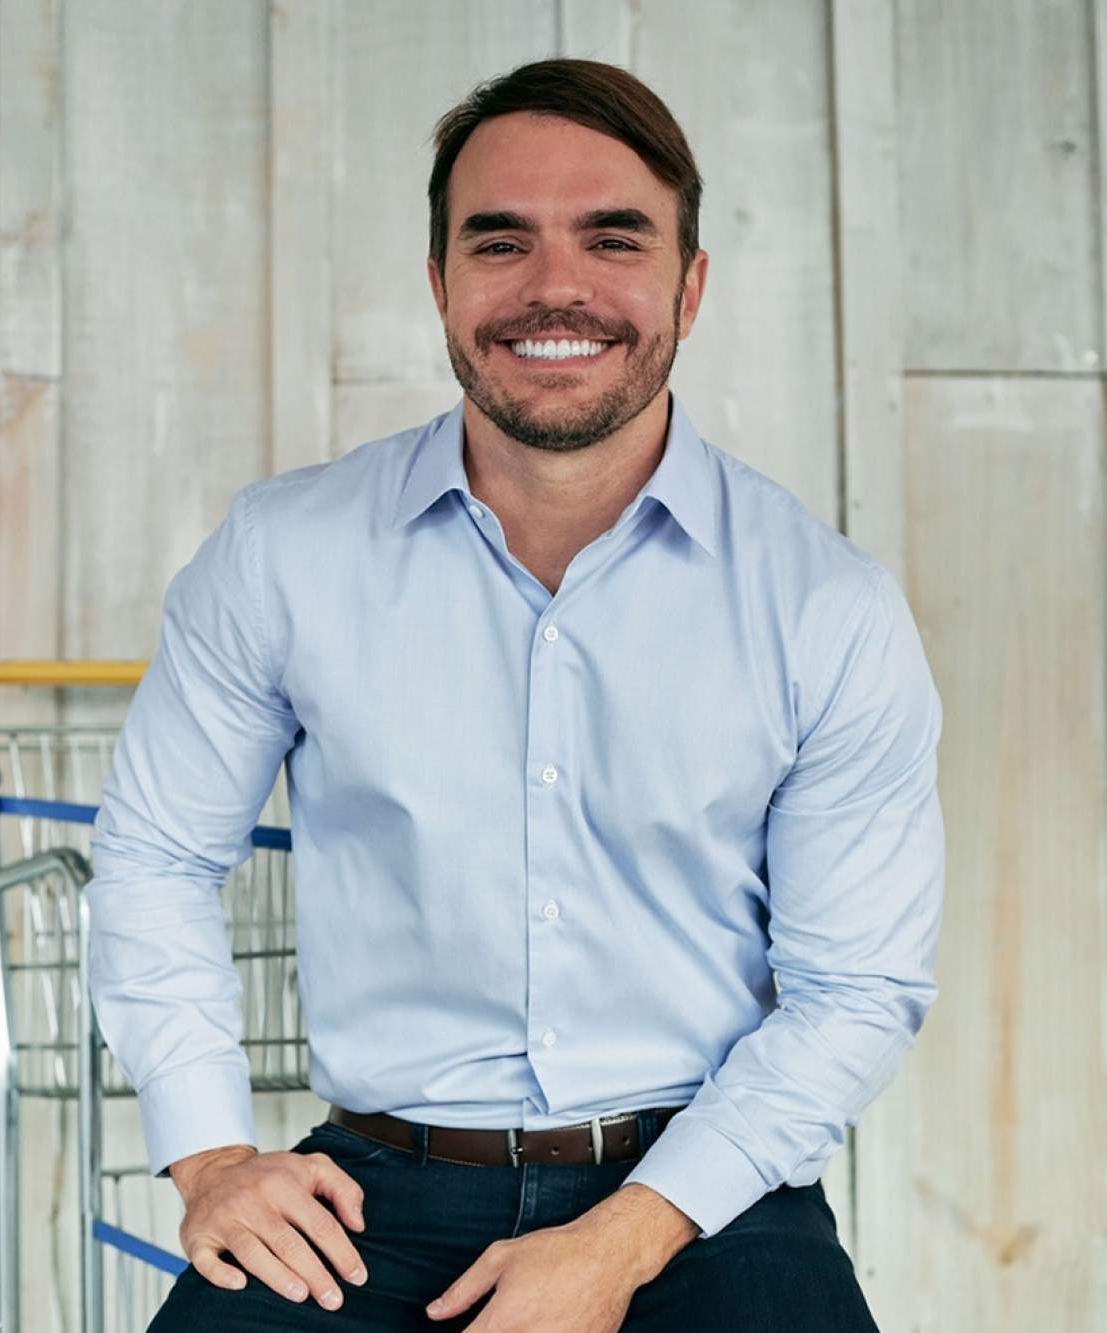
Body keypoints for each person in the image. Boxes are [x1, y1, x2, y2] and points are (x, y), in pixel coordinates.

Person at [87, 57, 944, 1332]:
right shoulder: (280, 555)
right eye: (499, 241)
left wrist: (619, 1240)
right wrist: (211, 1158)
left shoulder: (825, 607)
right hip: (366, 1194)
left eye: (613, 238)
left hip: (703, 1188)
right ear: (439, 284)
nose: (554, 286)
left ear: (688, 286)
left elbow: (853, 991)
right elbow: (156, 856)